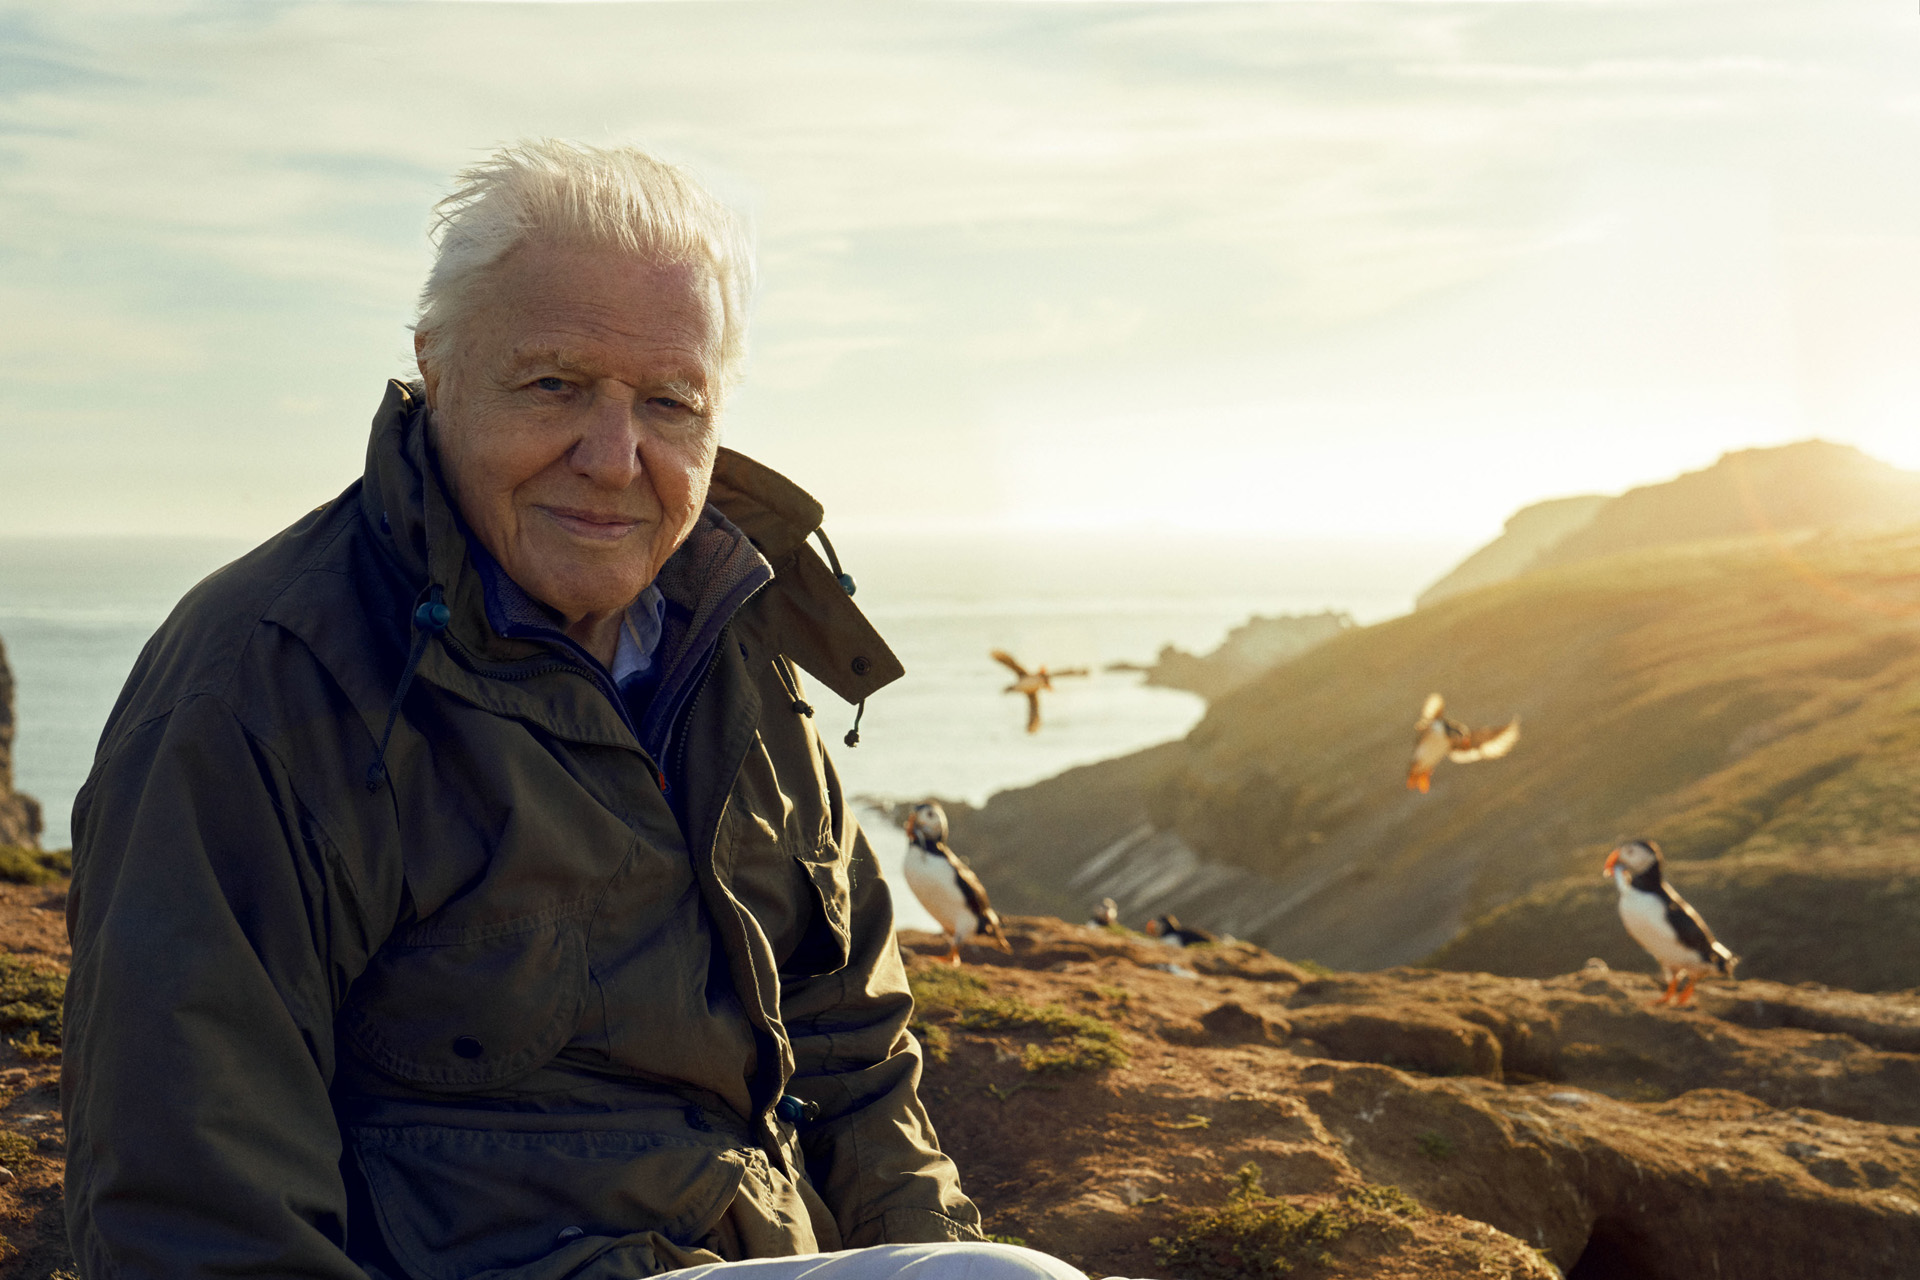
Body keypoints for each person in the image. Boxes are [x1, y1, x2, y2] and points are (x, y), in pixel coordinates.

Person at [63, 141, 1085, 1280]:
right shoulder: (260, 687)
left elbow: (851, 1042)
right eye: (555, 384)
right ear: (436, 368)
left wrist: (926, 1254)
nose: (614, 457)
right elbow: (193, 1206)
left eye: (668, 401)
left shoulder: (738, 651)